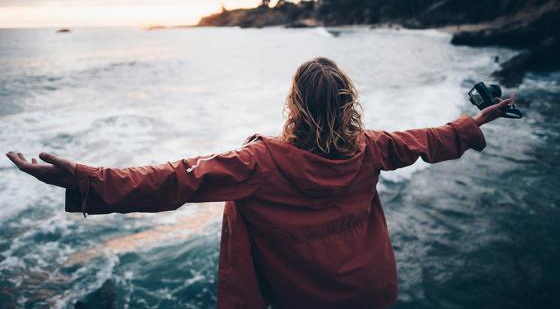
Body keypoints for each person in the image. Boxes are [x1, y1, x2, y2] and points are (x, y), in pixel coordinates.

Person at [6, 57, 515, 309]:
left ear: (294, 105)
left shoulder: (259, 163)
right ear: (347, 104)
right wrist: (481, 119)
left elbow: (170, 181)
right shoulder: (372, 147)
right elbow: (431, 138)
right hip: (372, 290)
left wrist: (86, 178)